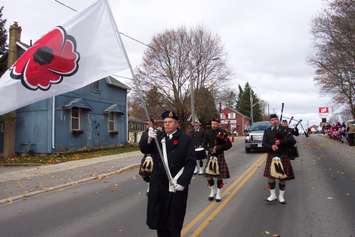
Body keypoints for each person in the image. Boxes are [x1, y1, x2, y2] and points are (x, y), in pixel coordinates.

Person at [139, 111, 195, 237]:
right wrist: (148, 138)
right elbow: (144, 149)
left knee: (174, 224)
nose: (167, 124)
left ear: (176, 124)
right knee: (161, 223)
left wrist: (182, 182)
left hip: (175, 187)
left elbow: (191, 163)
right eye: (165, 122)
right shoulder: (158, 138)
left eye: (170, 122)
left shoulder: (186, 140)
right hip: (159, 187)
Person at [262, 114, 296, 204]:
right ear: (270, 121)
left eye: (276, 119)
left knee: (282, 177)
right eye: (272, 120)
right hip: (271, 156)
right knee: (270, 177)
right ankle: (272, 195)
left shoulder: (285, 130)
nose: (274, 121)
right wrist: (271, 146)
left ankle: (281, 196)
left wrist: (281, 141)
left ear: (278, 120)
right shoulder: (267, 131)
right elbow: (264, 143)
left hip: (283, 155)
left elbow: (292, 141)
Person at [204, 117, 232, 202]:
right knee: (208, 176)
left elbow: (229, 145)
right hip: (210, 155)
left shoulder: (223, 132)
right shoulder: (207, 132)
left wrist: (219, 147)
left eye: (215, 124)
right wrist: (209, 149)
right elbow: (204, 144)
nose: (214, 125)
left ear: (219, 124)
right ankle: (213, 191)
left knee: (219, 176)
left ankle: (219, 193)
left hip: (219, 155)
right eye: (213, 123)